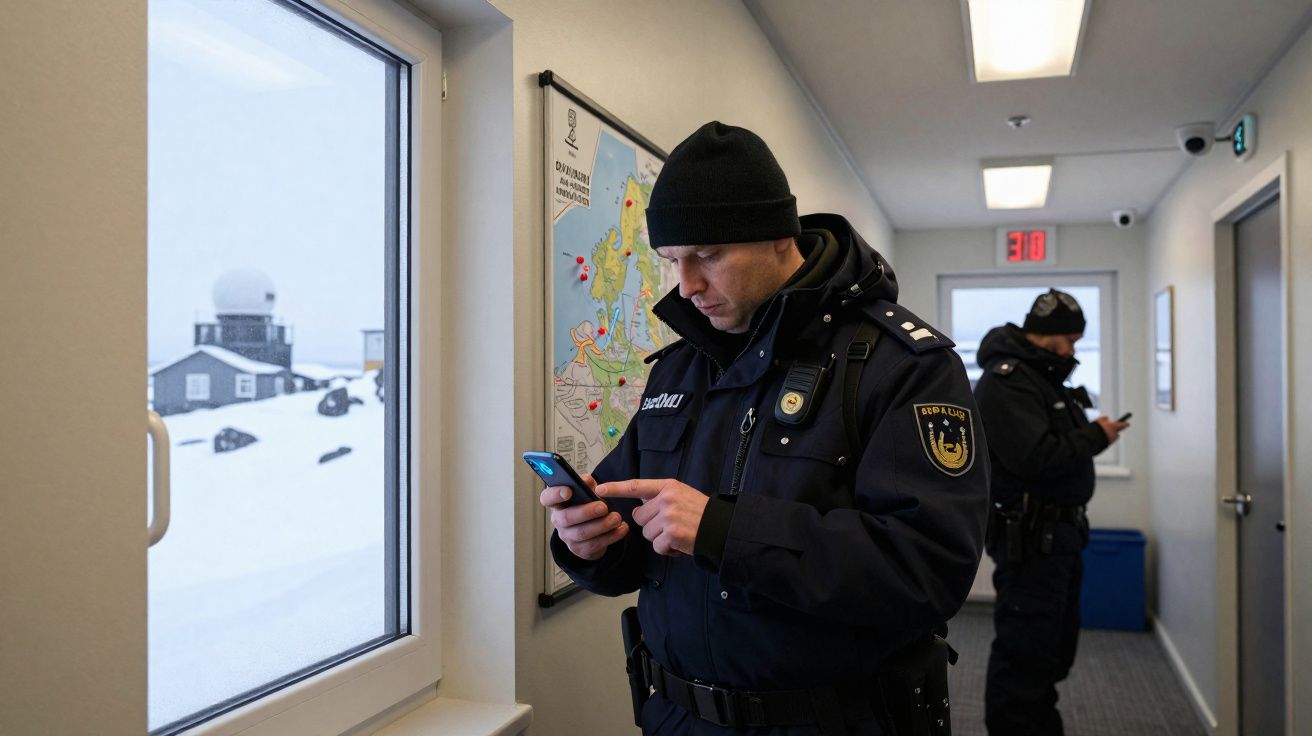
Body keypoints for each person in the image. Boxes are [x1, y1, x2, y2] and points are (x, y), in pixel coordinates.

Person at [540, 121, 989, 735]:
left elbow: (929, 569)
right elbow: (634, 544)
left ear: (781, 237)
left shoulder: (902, 365)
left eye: (709, 255)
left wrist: (726, 531)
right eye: (673, 261)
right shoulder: (681, 367)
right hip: (675, 717)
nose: (687, 286)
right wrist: (589, 542)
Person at [972, 290, 1129, 736]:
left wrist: (1094, 433)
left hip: (1057, 538)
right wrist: (1097, 436)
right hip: (1030, 541)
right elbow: (1035, 457)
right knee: (1024, 658)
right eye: (1072, 339)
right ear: (1053, 334)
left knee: (1050, 654)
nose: (1074, 350)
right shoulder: (1007, 380)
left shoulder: (1041, 377)